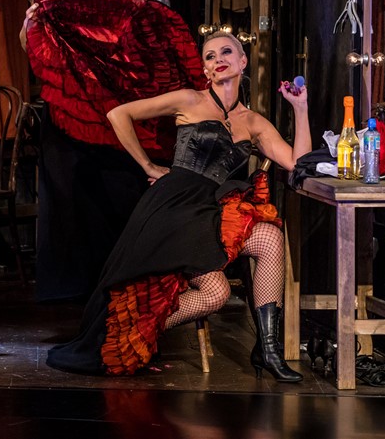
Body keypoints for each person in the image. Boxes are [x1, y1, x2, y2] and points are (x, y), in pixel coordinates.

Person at [46, 32, 310, 382]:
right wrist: (148, 165)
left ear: (243, 61)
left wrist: (300, 108)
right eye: (210, 56)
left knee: (269, 239)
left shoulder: (253, 122)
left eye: (226, 52)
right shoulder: (190, 99)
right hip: (173, 207)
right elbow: (119, 114)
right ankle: (132, 331)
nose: (219, 59)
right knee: (217, 294)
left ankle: (268, 349)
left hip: (210, 209)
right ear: (205, 69)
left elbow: (297, 163)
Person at [21, 0, 205, 302]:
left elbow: (140, 48)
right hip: (68, 109)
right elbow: (32, 49)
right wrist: (30, 23)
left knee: (115, 193)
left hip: (112, 109)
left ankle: (118, 283)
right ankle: (69, 290)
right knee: (68, 194)